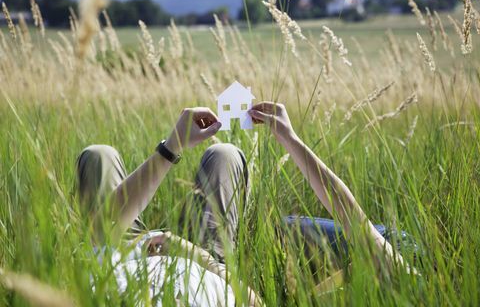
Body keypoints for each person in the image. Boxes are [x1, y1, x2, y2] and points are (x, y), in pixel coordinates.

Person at [76, 102, 411, 306]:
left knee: (96, 157)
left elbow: (101, 234)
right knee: (225, 155)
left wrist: (172, 147)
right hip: (206, 265)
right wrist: (194, 253)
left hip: (118, 257)